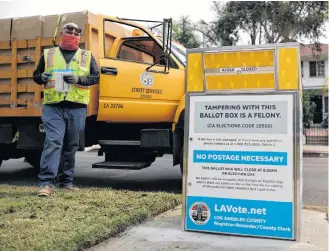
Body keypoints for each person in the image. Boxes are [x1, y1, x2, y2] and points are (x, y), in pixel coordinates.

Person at [33, 23, 100, 196]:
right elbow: (36, 75)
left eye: (76, 31)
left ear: (79, 36)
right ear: (61, 33)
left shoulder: (87, 55)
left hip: (77, 108)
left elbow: (95, 77)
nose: (72, 33)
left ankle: (66, 182)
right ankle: (46, 183)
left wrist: (78, 79)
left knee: (71, 145)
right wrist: (41, 77)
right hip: (53, 107)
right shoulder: (49, 54)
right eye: (68, 30)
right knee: (54, 142)